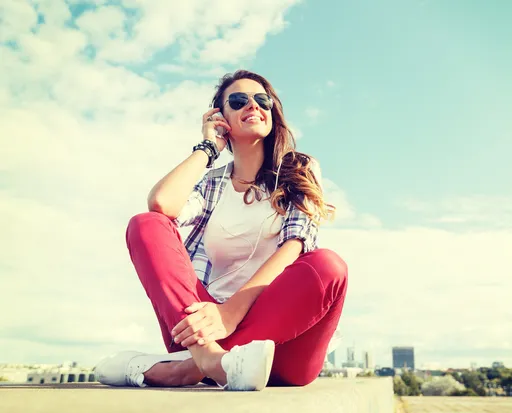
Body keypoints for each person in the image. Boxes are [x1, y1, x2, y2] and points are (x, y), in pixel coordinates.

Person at [94, 70, 348, 391]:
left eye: (262, 100)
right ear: (221, 118)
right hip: (203, 328)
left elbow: (295, 244)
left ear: (273, 111)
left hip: (283, 341)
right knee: (147, 224)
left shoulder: (298, 169)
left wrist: (230, 313)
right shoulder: (213, 182)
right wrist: (208, 147)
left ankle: (190, 370)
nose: (253, 106)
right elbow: (161, 203)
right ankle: (211, 361)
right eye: (239, 101)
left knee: (328, 266)